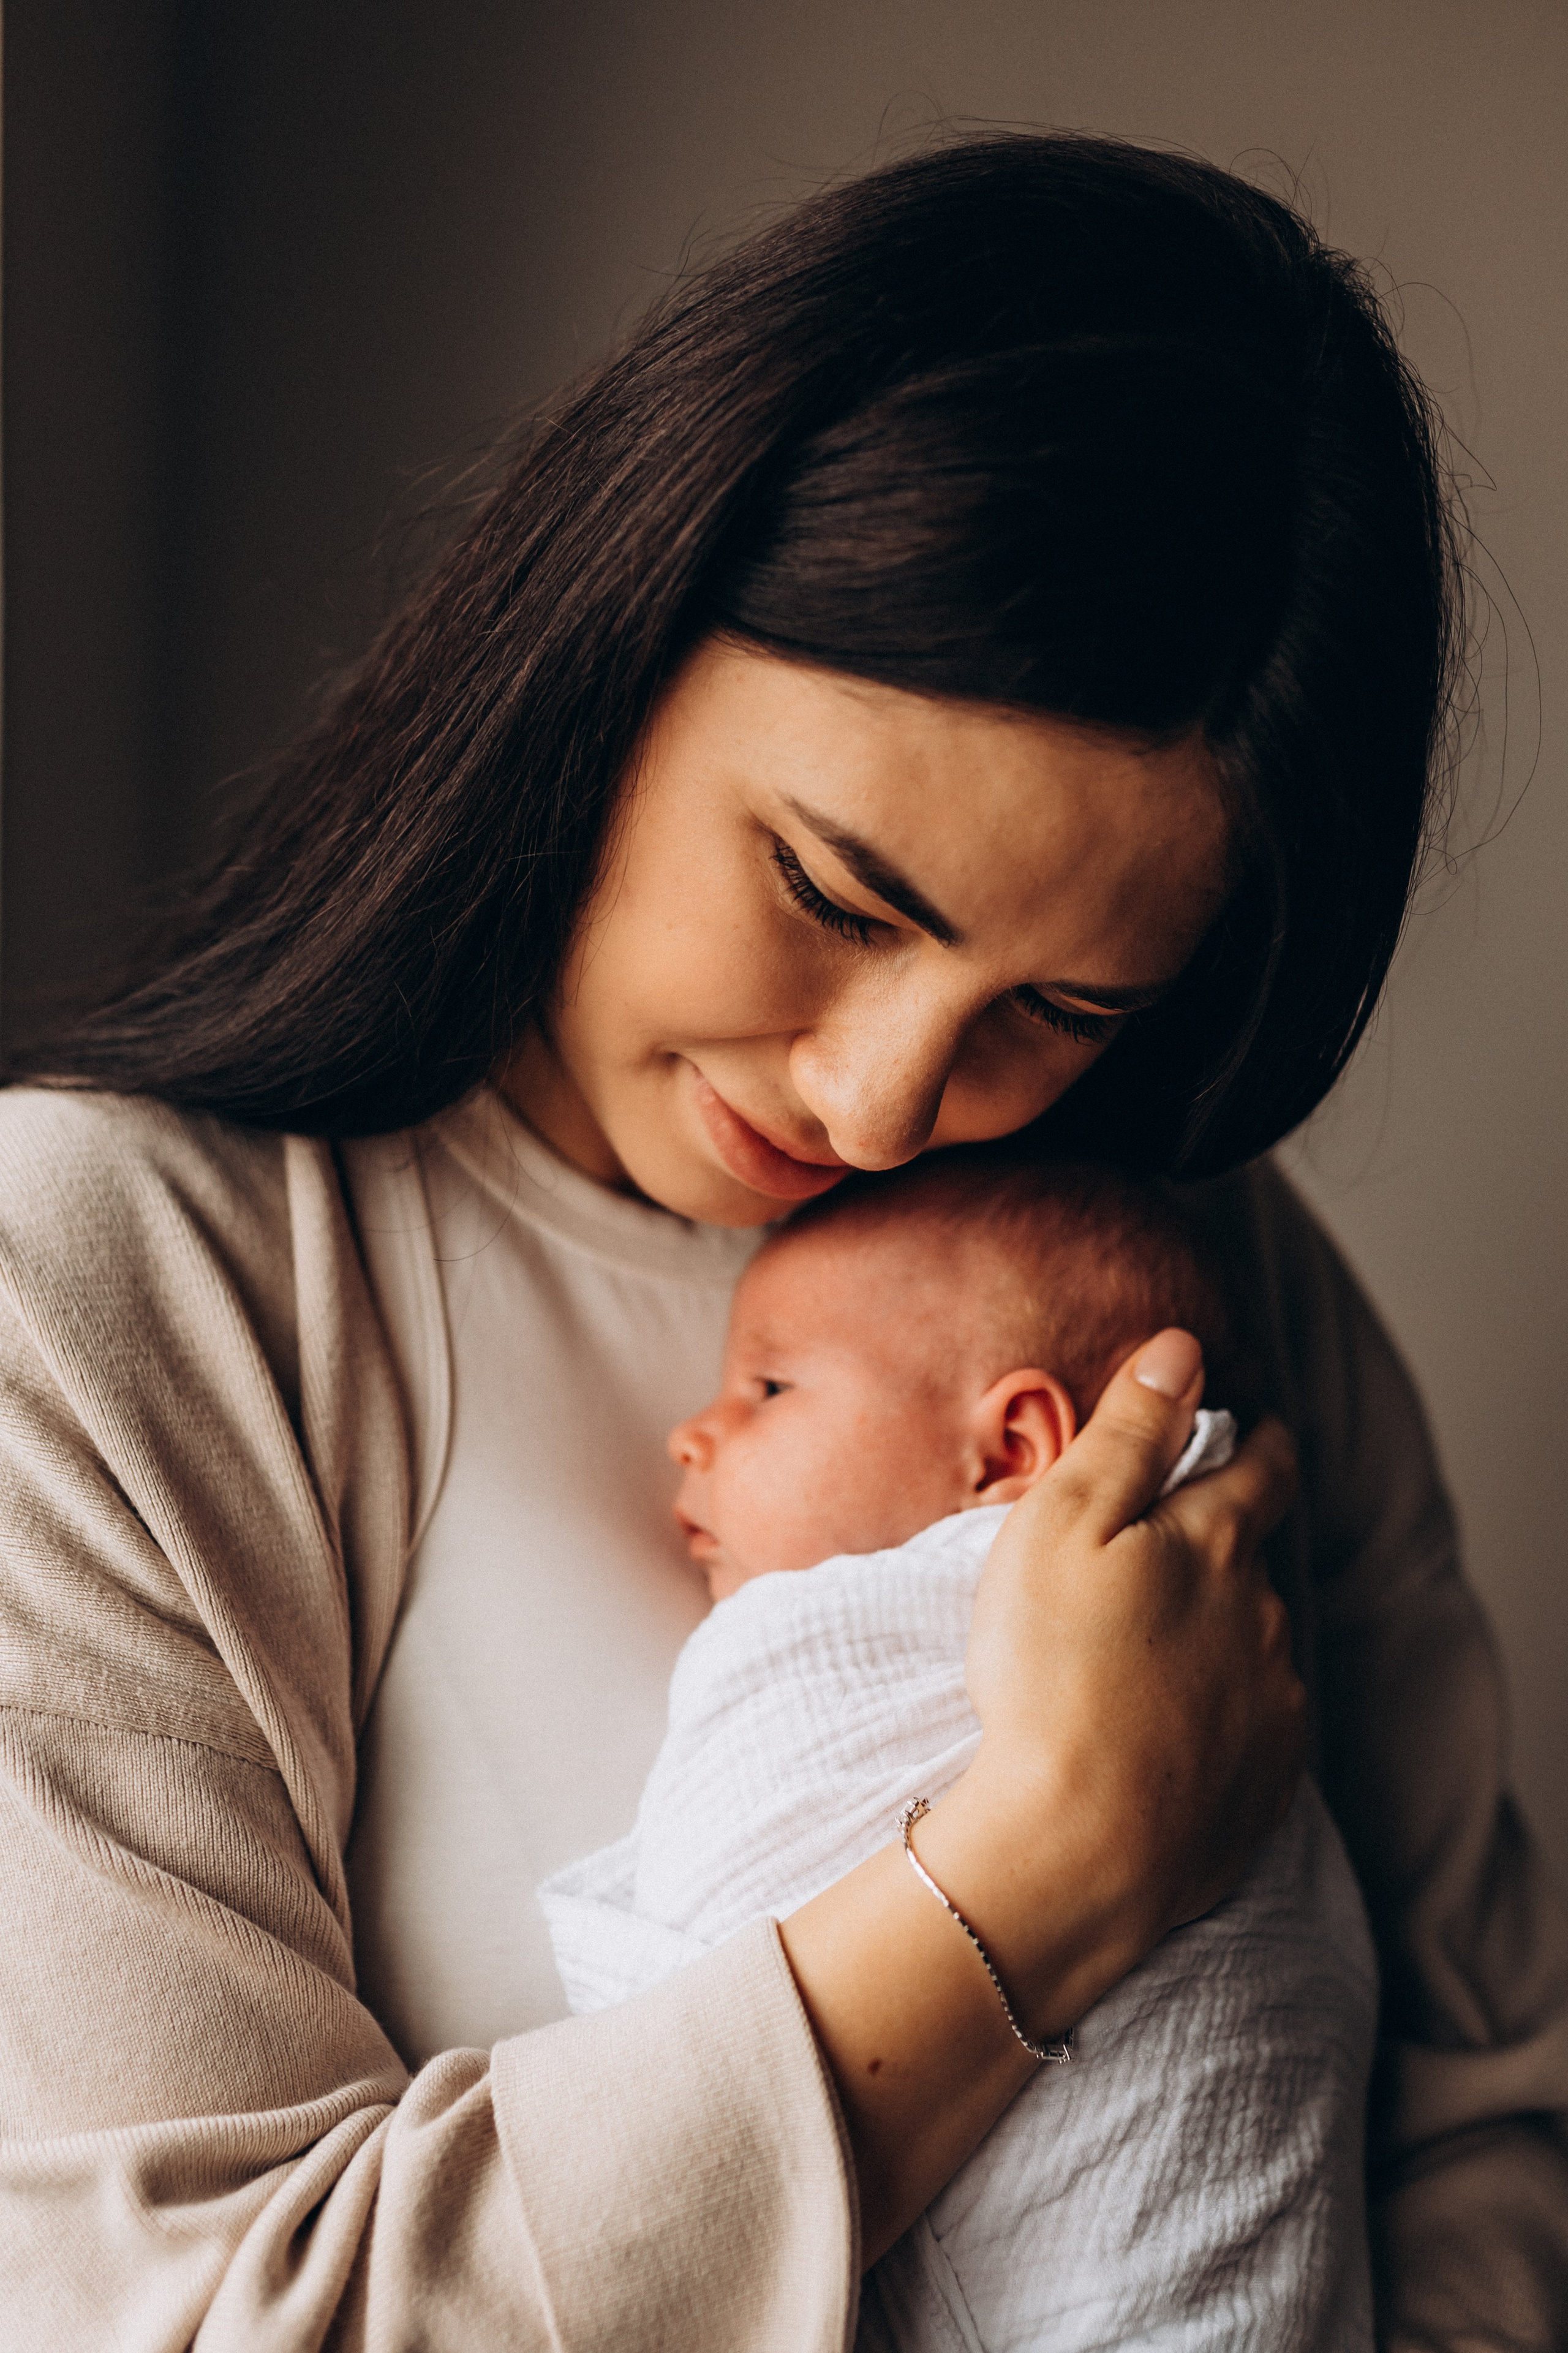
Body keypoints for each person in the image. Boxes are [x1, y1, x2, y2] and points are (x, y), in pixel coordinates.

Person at [0, 132, 1563, 2351]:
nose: (880, 1104)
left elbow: (1482, 2131)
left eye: (1059, 1011)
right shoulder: (116, 1295)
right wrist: (1042, 1883)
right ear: (614, 634)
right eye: (837, 894)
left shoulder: (1187, 1284)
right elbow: (192, 2315)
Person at [540, 1151, 1378, 2351]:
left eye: (768, 1388)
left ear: (1007, 1448)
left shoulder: (839, 1644)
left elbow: (684, 2020)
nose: (693, 1432)